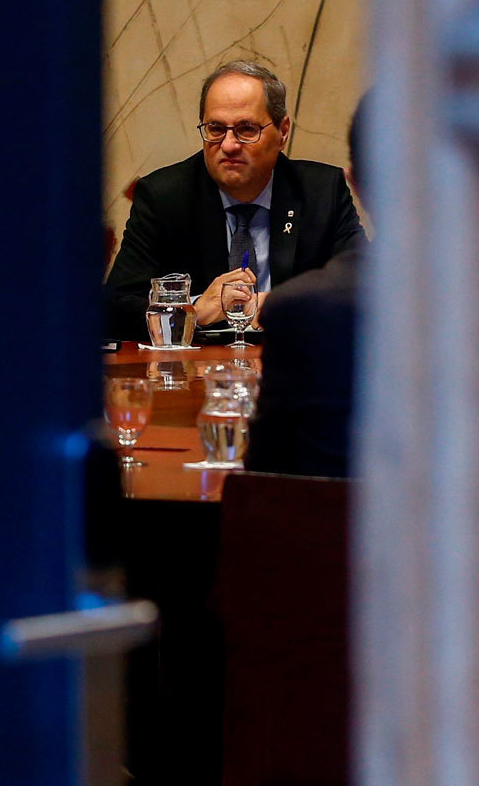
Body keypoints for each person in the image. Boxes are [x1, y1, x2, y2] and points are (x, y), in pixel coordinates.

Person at [103, 60, 364, 341]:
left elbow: (367, 287)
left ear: (283, 131)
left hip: (292, 359)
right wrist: (191, 311)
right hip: (196, 366)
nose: (228, 145)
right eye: (216, 128)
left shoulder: (322, 191)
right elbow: (114, 309)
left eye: (247, 129)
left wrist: (290, 305)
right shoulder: (164, 196)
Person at [243, 91, 370, 479]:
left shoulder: (303, 310)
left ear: (355, 182)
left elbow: (265, 481)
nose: (230, 145)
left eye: (246, 129)